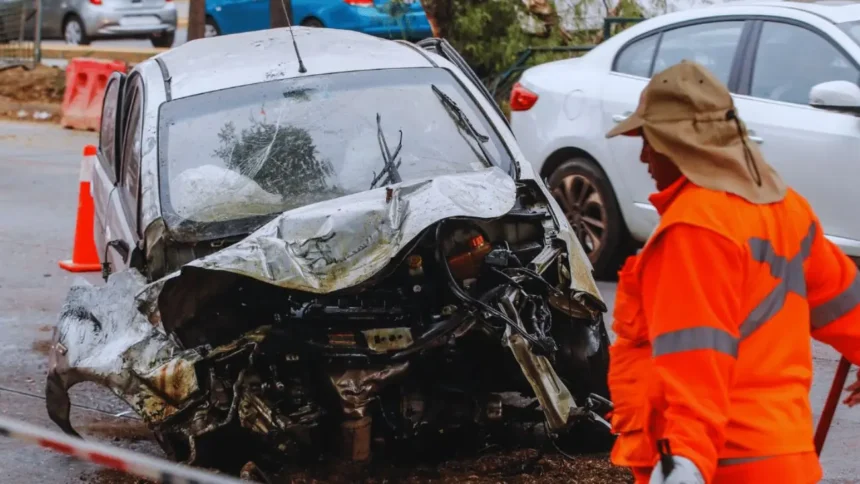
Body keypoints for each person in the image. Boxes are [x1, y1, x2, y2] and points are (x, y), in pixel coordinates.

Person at [604, 60, 860, 484]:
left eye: (649, 139)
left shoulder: (694, 229)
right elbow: (847, 304)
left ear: (679, 144)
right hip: (788, 461)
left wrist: (683, 465)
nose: (644, 155)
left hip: (725, 466)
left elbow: (694, 367)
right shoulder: (784, 208)